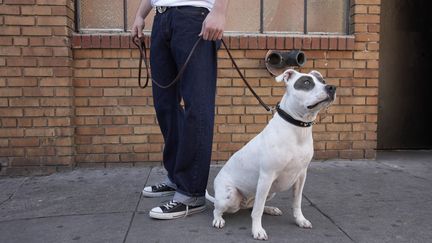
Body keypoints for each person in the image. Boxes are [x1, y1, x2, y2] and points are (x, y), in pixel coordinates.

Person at [131, 0, 228, 220]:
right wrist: (140, 15)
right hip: (161, 17)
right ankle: (176, 177)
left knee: (197, 105)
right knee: (165, 104)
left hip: (194, 17)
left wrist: (219, 10)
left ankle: (191, 193)